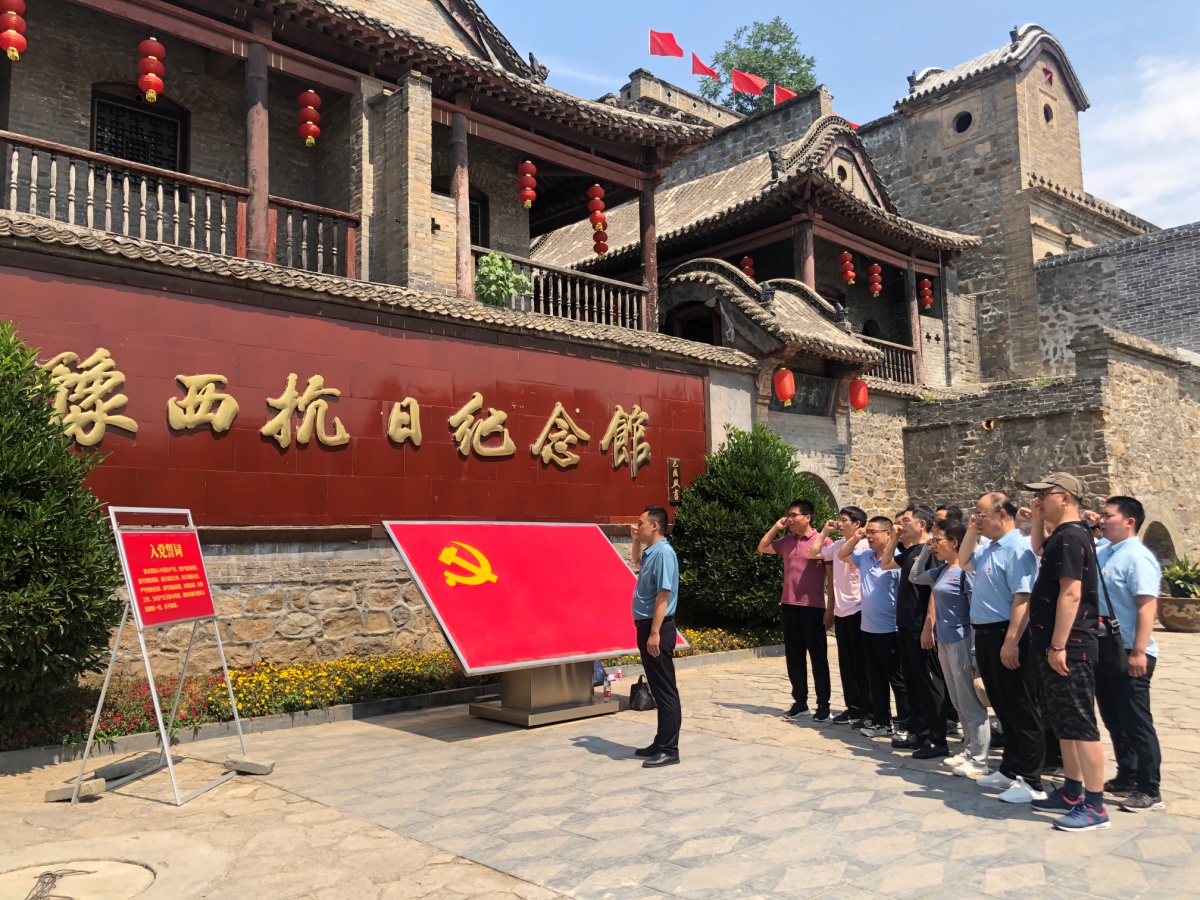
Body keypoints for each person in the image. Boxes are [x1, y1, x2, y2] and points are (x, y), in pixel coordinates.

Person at [1023, 473, 1108, 831]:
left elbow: (1071, 594)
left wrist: (1058, 644)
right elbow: (1037, 548)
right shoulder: (1063, 535)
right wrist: (1038, 516)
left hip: (1070, 647)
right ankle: (1073, 791)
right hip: (1056, 646)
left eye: (1045, 494)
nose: (1039, 499)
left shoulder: (1072, 537)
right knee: (1065, 723)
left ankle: (1095, 806)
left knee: (1082, 725)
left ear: (1066, 497)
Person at [959, 492, 1046, 803]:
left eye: (981, 514)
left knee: (1021, 706)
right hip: (984, 633)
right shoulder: (988, 547)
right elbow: (963, 561)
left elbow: (1023, 598)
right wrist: (972, 527)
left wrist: (1011, 643)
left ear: (1003, 515)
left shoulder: (1018, 548)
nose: (977, 518)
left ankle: (1032, 780)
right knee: (1002, 705)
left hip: (1007, 634)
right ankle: (1010, 768)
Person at [1094, 495, 1164, 812]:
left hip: (1130, 651)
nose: (1102, 520)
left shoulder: (1137, 557)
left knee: (1136, 722)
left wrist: (1139, 651)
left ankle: (1149, 788)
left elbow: (1147, 605)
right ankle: (1127, 774)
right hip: (1105, 648)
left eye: (1108, 515)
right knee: (1114, 718)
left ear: (1129, 521)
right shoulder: (1105, 551)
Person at [908, 519, 991, 776]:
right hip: (944, 641)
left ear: (955, 542)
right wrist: (925, 549)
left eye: (938, 540)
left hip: (962, 640)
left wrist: (975, 651)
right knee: (957, 700)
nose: (934, 545)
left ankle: (979, 759)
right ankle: (968, 749)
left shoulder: (967, 571)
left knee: (970, 703)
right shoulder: (943, 569)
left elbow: (975, 611)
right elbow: (914, 576)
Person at [758, 500, 834, 721]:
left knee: (818, 658)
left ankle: (823, 705)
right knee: (794, 657)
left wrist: (830, 610)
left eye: (794, 515)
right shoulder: (786, 541)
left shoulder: (823, 541)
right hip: (789, 606)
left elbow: (832, 579)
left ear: (807, 517)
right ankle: (800, 703)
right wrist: (776, 527)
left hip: (813, 607)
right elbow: (762, 547)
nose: (789, 519)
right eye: (788, 515)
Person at [883, 506, 948, 758]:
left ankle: (936, 739)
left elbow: (935, 590)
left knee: (928, 684)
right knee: (912, 683)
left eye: (906, 521)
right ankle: (919, 734)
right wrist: (894, 537)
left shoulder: (930, 551)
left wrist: (928, 626)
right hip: (906, 626)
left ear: (922, 524)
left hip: (921, 627)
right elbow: (886, 563)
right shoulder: (910, 551)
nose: (901, 524)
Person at [839, 518, 908, 738]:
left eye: (873, 532)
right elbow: (842, 554)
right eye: (867, 532)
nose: (869, 536)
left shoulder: (898, 559)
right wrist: (855, 537)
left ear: (888, 534)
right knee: (875, 678)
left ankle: (906, 724)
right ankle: (881, 722)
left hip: (890, 629)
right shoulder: (866, 556)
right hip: (867, 628)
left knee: (897, 680)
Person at [629, 506, 681, 768]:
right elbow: (637, 562)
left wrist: (655, 633)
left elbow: (663, 595)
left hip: (657, 628)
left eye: (641, 523)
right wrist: (635, 540)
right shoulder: (651, 552)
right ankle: (661, 742)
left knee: (665, 690)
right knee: (658, 689)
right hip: (647, 626)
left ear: (655, 526)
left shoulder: (663, 554)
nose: (637, 526)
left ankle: (670, 749)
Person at [812, 507, 871, 726]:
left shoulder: (866, 546)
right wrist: (824, 531)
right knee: (846, 663)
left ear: (857, 524)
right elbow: (813, 553)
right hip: (841, 611)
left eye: (844, 520)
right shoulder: (837, 545)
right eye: (840, 519)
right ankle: (853, 707)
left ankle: (868, 708)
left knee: (862, 663)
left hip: (859, 609)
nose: (840, 523)